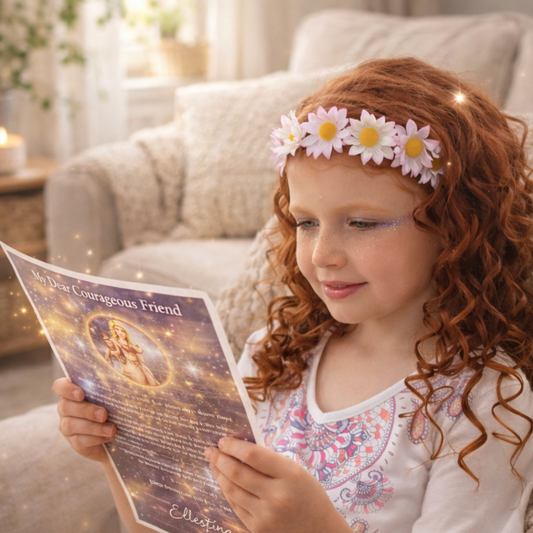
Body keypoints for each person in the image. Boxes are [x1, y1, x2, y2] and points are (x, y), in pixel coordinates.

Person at [52, 57, 533, 533]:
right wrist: (119, 453)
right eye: (306, 222)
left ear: (458, 224)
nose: (323, 254)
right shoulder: (273, 356)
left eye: (361, 223)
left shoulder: (487, 402)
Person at [108, 320, 160, 386]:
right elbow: (116, 352)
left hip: (139, 365)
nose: (120, 333)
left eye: (122, 331)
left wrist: (137, 347)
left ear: (125, 332)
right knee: (141, 384)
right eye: (117, 330)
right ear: (114, 330)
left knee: (150, 382)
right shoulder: (114, 340)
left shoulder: (129, 342)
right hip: (129, 366)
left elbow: (140, 351)